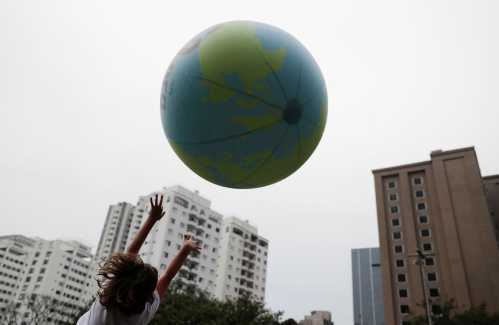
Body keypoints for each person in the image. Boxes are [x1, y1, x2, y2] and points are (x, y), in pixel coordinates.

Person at [77, 194, 201, 325]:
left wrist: (152, 218)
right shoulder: (145, 309)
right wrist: (185, 250)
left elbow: (132, 251)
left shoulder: (110, 296)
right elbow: (168, 276)